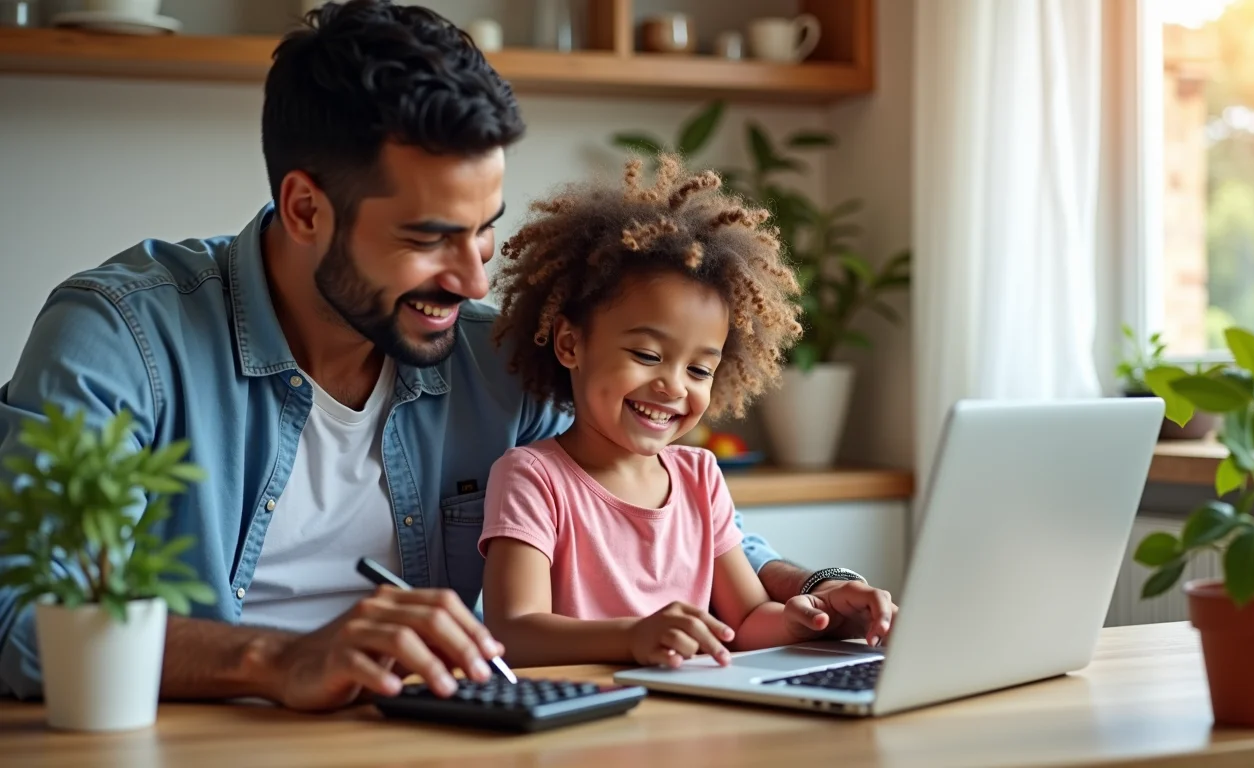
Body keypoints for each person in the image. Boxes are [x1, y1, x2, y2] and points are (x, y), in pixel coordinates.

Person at [0, 0, 894, 709]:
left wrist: (817, 591)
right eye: (431, 238)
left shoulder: (496, 360)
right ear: (306, 208)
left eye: (487, 233)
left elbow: (680, 524)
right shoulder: (121, 336)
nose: (472, 280)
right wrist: (278, 659)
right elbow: (18, 614)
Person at [479, 156, 896, 668]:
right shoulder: (532, 477)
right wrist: (634, 638)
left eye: (699, 371)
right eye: (648, 356)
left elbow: (745, 621)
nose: (672, 386)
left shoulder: (699, 476)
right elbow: (515, 632)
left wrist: (800, 619)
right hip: (582, 719)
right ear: (570, 343)